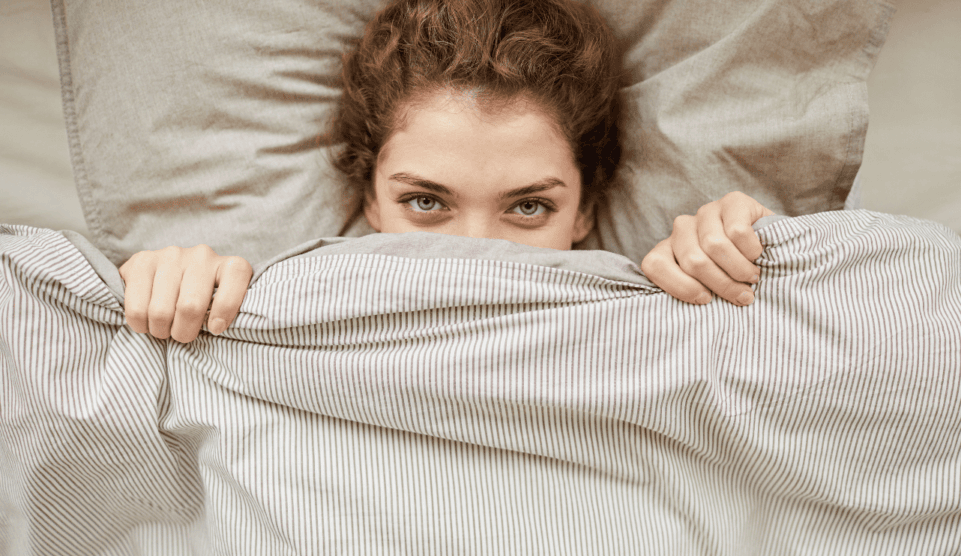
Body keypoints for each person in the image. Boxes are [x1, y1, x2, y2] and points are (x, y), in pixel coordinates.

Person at [119, 0, 775, 344]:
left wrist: (761, 263)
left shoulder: (664, 317)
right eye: (427, 203)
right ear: (371, 202)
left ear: (585, 212)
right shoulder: (267, 310)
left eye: (527, 208)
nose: (473, 260)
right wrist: (169, 291)